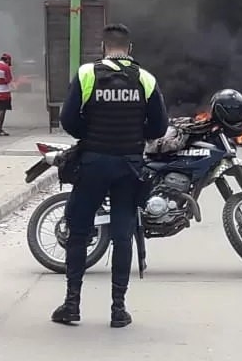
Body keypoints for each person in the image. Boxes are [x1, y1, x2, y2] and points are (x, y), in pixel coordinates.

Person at [53, 23, 168, 328]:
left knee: (78, 233)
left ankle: (72, 305)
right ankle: (118, 309)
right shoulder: (145, 78)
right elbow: (159, 127)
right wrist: (133, 137)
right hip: (129, 167)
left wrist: (89, 136)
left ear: (103, 48)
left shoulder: (87, 74)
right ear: (129, 49)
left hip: (92, 163)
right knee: (122, 235)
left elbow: (67, 119)